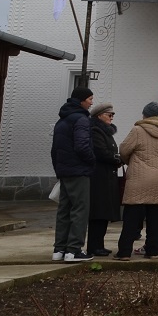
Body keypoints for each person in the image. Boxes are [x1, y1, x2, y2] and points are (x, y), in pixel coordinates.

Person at [115, 102, 158, 260]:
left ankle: (125, 252)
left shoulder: (138, 130)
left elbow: (124, 149)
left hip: (139, 178)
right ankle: (153, 251)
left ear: (145, 114)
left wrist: (129, 161)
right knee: (155, 218)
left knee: (131, 218)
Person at [51, 86, 96, 263]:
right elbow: (82, 146)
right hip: (79, 171)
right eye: (90, 99)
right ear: (81, 100)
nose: (92, 103)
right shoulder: (82, 119)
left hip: (64, 171)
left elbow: (54, 150)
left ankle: (59, 250)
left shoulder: (61, 121)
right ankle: (74, 250)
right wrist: (92, 161)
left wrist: (59, 169)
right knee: (80, 210)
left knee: (64, 210)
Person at [85, 104, 121, 256]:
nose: (112, 117)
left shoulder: (106, 131)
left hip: (107, 177)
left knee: (104, 214)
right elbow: (101, 152)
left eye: (113, 114)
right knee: (98, 214)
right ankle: (94, 246)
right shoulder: (96, 131)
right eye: (109, 114)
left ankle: (99, 244)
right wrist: (117, 159)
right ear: (99, 115)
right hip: (99, 178)